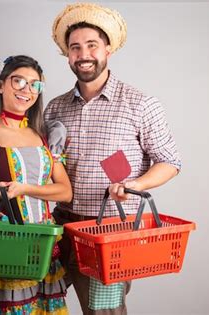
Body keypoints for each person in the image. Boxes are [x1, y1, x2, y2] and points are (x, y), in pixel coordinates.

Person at [44, 3, 182, 314]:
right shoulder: (54, 108)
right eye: (75, 47)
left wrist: (135, 183)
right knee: (33, 303)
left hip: (109, 234)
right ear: (68, 55)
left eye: (92, 45)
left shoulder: (141, 104)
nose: (84, 54)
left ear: (108, 49)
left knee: (103, 312)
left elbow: (169, 161)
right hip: (58, 225)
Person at [0, 55, 72, 315]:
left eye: (34, 85)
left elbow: (65, 192)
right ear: (1, 85)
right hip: (5, 248)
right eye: (18, 81)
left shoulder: (45, 134)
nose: (26, 90)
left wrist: (25, 188)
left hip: (42, 247)